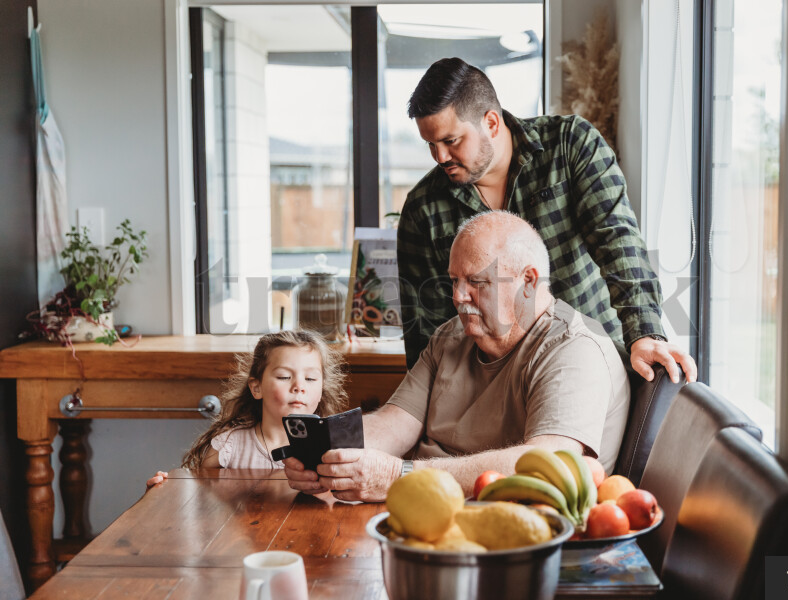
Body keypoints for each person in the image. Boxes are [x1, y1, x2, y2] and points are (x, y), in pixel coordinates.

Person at [285, 212, 630, 502]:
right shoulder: (451, 335)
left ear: (528, 280)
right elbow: (394, 424)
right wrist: (328, 456)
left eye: (477, 282)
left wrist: (396, 475)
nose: (458, 296)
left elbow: (546, 461)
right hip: (423, 508)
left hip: (504, 529)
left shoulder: (573, 349)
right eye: (454, 280)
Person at [397, 57, 697, 384]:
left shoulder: (570, 145)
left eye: (451, 141)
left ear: (492, 123)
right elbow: (426, 332)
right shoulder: (422, 209)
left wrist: (645, 334)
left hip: (596, 369)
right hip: (494, 390)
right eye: (431, 144)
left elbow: (620, 246)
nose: (440, 157)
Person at [147, 330, 348, 488]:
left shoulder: (333, 448)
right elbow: (197, 495)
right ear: (257, 388)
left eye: (311, 378)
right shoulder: (229, 446)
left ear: (322, 389)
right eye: (284, 377)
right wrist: (165, 488)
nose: (299, 386)